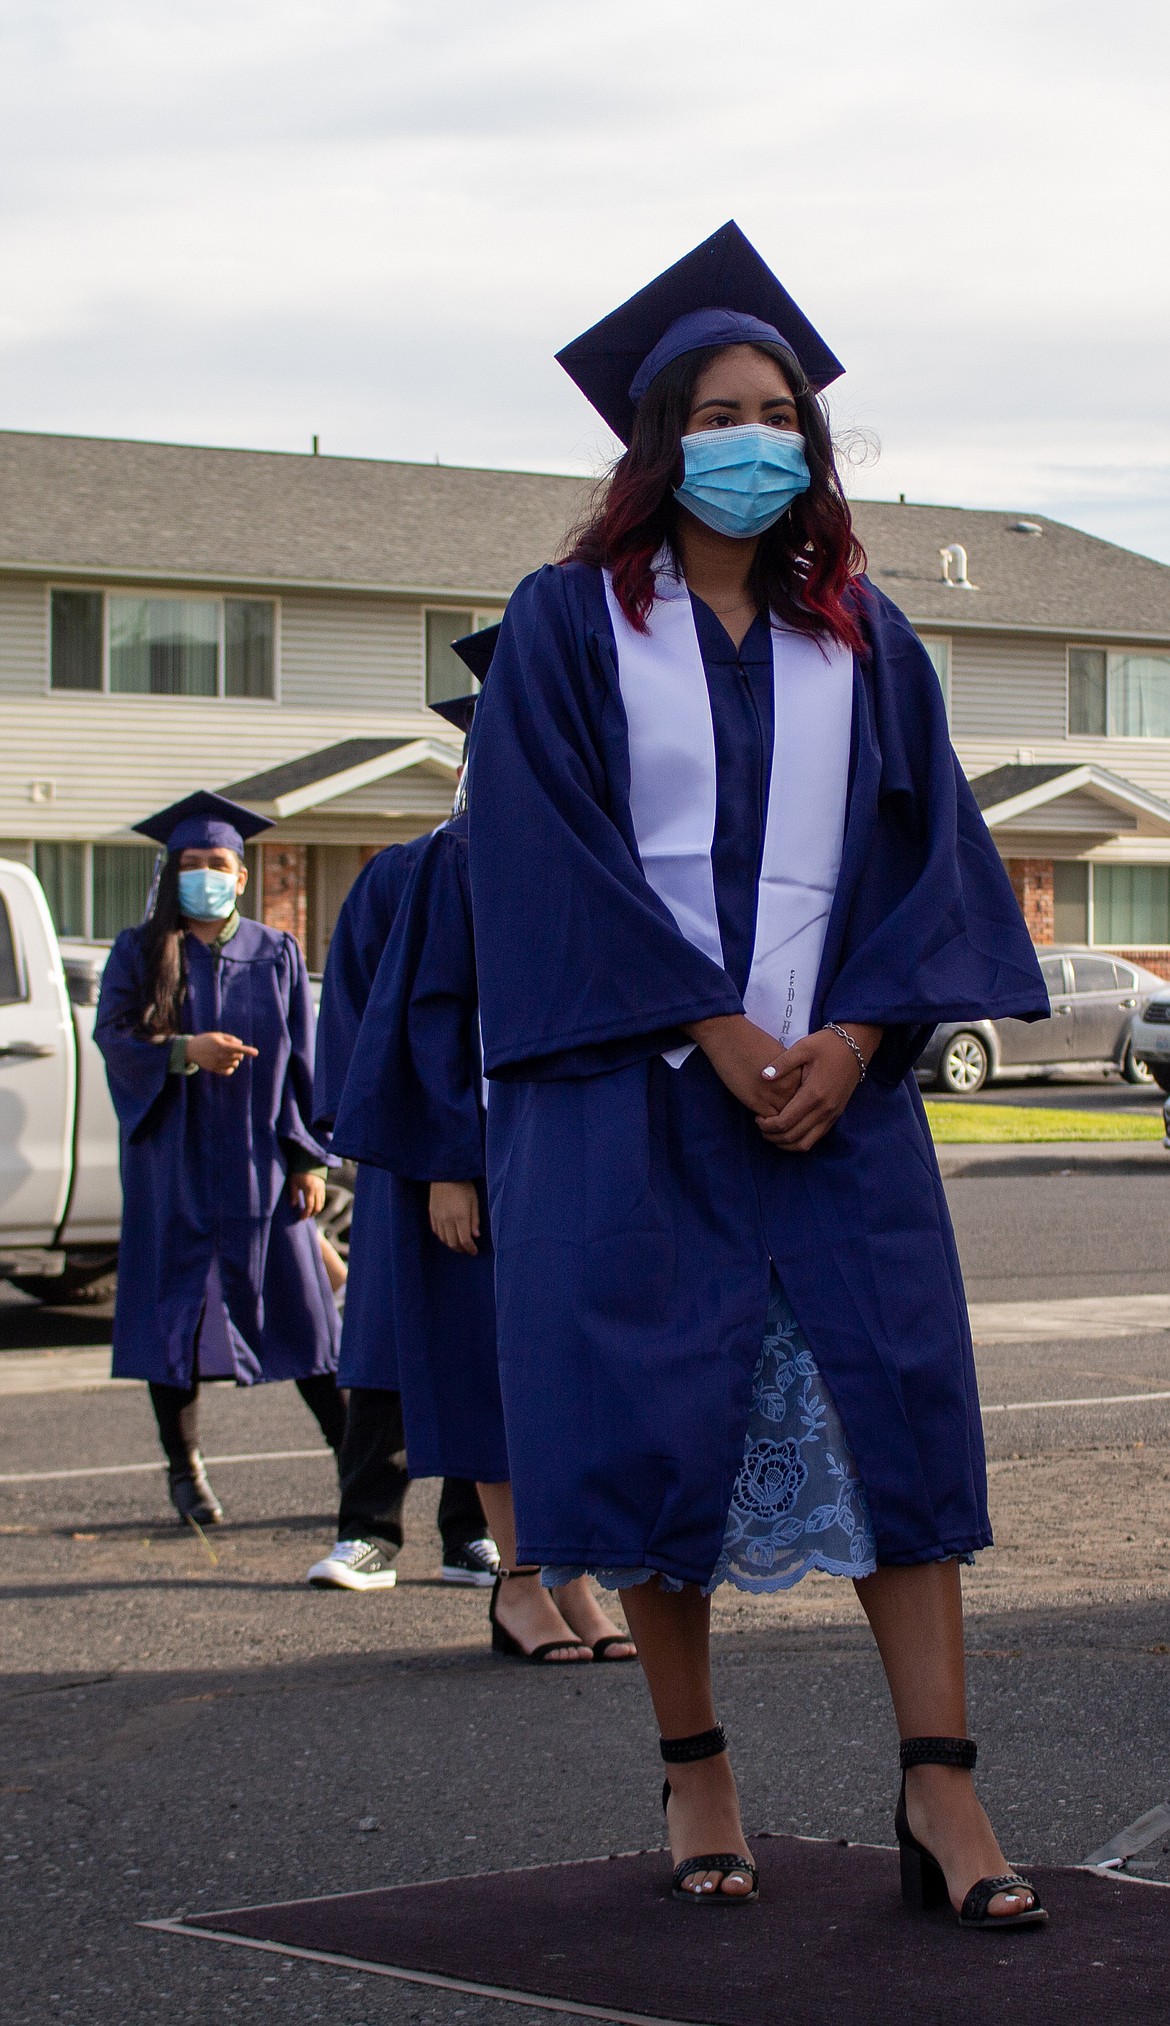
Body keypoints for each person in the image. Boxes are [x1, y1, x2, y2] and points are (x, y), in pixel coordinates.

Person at [467, 222, 1050, 1921]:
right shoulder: (573, 625)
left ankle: (944, 1793)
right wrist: (716, 1031)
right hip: (640, 1103)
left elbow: (934, 852)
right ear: (661, 444)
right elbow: (547, 852)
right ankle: (696, 1768)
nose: (757, 438)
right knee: (657, 1428)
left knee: (901, 1424)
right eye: (721, 410)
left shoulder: (866, 639)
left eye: (781, 411)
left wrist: (857, 1034)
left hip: (835, 1106)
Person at [332, 639, 635, 1663]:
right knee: (500, 1377)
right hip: (493, 1158)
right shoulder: (460, 862)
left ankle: (572, 1580)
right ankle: (519, 1586)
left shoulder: (592, 859)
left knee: (570, 1376)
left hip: (575, 1156)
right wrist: (451, 1165)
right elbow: (431, 1020)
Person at [95, 791, 344, 1526]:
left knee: (307, 1320)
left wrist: (309, 1160)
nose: (205, 873)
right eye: (192, 863)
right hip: (170, 1168)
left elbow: (307, 1060)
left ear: (242, 875)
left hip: (259, 1164)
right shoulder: (139, 953)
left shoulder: (276, 953)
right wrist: (182, 1051)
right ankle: (185, 1470)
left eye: (219, 863)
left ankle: (356, 1473)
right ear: (173, 872)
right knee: (172, 1316)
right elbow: (113, 1040)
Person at [307, 833, 496, 1592]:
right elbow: (360, 1002)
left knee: (483, 1347)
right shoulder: (403, 871)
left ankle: (470, 1534)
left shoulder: (547, 857)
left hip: (511, 1141)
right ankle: (367, 1529)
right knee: (390, 1335)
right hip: (410, 1143)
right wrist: (400, 1135)